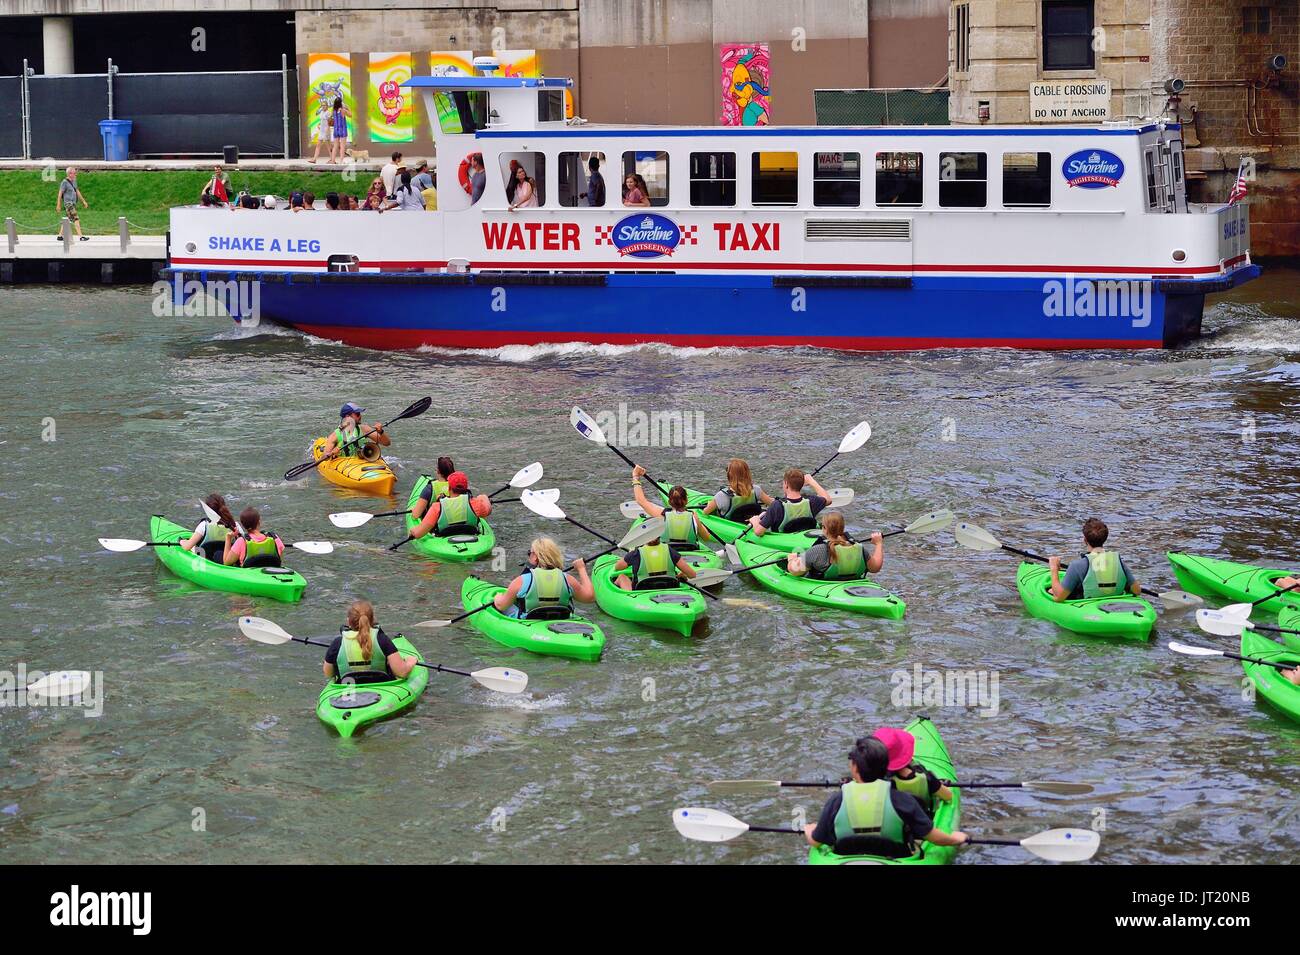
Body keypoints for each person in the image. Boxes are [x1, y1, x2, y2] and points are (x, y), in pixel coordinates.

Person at [804, 736, 968, 858]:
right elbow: (934, 837)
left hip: (846, 857)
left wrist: (809, 830)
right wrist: (955, 838)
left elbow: (816, 841)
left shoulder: (837, 799)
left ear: (854, 768)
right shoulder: (903, 800)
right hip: (896, 857)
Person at [492, 537, 595, 620]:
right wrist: (581, 569)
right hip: (560, 619)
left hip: (528, 620)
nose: (529, 557)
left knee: (499, 603)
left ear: (535, 557)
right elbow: (590, 597)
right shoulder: (568, 579)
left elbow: (501, 605)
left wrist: (497, 598)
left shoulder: (522, 580)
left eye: (530, 553)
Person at [322, 600, 418, 682]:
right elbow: (402, 672)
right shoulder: (382, 640)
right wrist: (410, 662)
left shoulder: (337, 643)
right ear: (372, 620)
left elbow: (328, 674)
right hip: (382, 687)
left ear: (348, 621)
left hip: (349, 687)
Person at [1048, 518, 1140, 602]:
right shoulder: (1119, 561)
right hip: (1115, 605)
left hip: (1088, 607)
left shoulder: (1076, 566)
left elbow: (1059, 597)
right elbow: (1137, 590)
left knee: (1051, 591)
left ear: (1085, 540)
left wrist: (1054, 568)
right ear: (1105, 539)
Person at [630, 466, 715, 550]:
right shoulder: (694, 516)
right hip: (690, 552)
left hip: (667, 553)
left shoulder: (661, 515)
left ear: (669, 502)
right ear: (686, 500)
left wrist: (636, 477)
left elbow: (641, 501)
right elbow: (706, 538)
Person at [872, 726, 955, 812]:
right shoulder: (925, 777)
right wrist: (937, 784)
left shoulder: (869, 778)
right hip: (919, 821)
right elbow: (948, 796)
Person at [786, 510, 882, 579]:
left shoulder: (818, 550)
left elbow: (795, 571)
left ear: (824, 528)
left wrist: (792, 559)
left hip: (823, 588)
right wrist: (878, 544)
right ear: (843, 528)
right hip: (852, 586)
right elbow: (875, 568)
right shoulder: (859, 548)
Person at [409, 471, 492, 542]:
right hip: (472, 536)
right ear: (466, 488)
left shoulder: (437, 507)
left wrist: (412, 531)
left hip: (443, 540)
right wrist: (483, 497)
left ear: (449, 488)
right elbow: (488, 509)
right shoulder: (476, 504)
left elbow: (418, 534)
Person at [749, 468, 831, 538]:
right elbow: (828, 499)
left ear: (786, 484)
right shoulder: (812, 501)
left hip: (784, 542)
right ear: (802, 485)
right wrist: (811, 481)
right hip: (805, 538)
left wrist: (755, 521)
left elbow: (758, 532)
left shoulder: (777, 505)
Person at [611, 531, 698, 592]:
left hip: (642, 590)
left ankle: (628, 597)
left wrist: (629, 556)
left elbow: (617, 567)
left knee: (621, 576)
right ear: (659, 535)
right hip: (669, 587)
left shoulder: (635, 553)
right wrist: (681, 575)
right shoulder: (669, 550)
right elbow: (692, 575)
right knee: (681, 574)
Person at [701, 458, 773, 522]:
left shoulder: (721, 496)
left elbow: (704, 513)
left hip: (731, 529)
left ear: (729, 476)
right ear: (747, 474)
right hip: (750, 525)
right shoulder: (756, 490)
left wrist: (711, 503)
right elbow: (773, 504)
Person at [320, 402, 391, 459]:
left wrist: (381, 432)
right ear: (348, 417)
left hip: (362, 462)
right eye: (357, 414)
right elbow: (323, 458)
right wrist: (332, 453)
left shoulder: (364, 429)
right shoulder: (335, 436)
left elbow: (387, 443)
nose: (360, 416)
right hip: (346, 467)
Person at [180, 494, 238, 561]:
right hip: (224, 560)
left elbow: (187, 547)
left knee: (194, 547)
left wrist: (181, 541)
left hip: (206, 559)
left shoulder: (204, 525)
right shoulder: (235, 526)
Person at [410, 456, 457, 520]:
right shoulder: (458, 487)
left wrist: (414, 510)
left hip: (435, 525)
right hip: (455, 521)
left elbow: (415, 515)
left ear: (438, 471)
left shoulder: (429, 489)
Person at [56, 167, 89, 241]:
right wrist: (58, 205)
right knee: (76, 218)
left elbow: (77, 191)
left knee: (67, 219)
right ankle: (81, 236)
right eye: (74, 173)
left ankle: (60, 236)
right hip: (68, 204)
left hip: (73, 203)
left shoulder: (74, 181)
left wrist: (83, 201)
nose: (75, 174)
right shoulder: (64, 182)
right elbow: (60, 193)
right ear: (69, 174)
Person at [329, 97, 351, 164]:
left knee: (335, 146)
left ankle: (333, 160)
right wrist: (348, 107)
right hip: (343, 129)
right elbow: (350, 115)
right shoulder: (343, 110)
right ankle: (341, 160)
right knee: (342, 146)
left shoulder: (333, 110)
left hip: (336, 129)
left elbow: (331, 117)